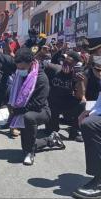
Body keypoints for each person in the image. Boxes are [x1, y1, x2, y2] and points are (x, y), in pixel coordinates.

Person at [8, 47, 51, 165]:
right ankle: (50, 140)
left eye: (22, 68)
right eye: (18, 68)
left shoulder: (41, 78)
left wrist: (18, 110)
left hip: (41, 110)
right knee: (25, 145)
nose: (19, 70)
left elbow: (38, 104)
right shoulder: (20, 74)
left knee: (28, 117)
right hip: (24, 108)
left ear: (31, 64)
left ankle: (30, 153)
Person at [72, 36, 101, 199]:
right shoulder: (89, 70)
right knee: (88, 121)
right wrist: (91, 110)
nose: (96, 55)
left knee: (91, 125)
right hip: (94, 105)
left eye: (98, 51)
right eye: (94, 53)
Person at [44, 51, 86, 142]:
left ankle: (74, 132)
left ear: (75, 65)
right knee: (51, 131)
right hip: (52, 103)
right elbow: (39, 68)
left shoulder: (76, 75)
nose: (67, 65)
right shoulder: (53, 68)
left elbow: (79, 96)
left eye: (70, 64)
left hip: (67, 102)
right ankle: (52, 125)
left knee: (82, 103)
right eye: (65, 62)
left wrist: (80, 82)